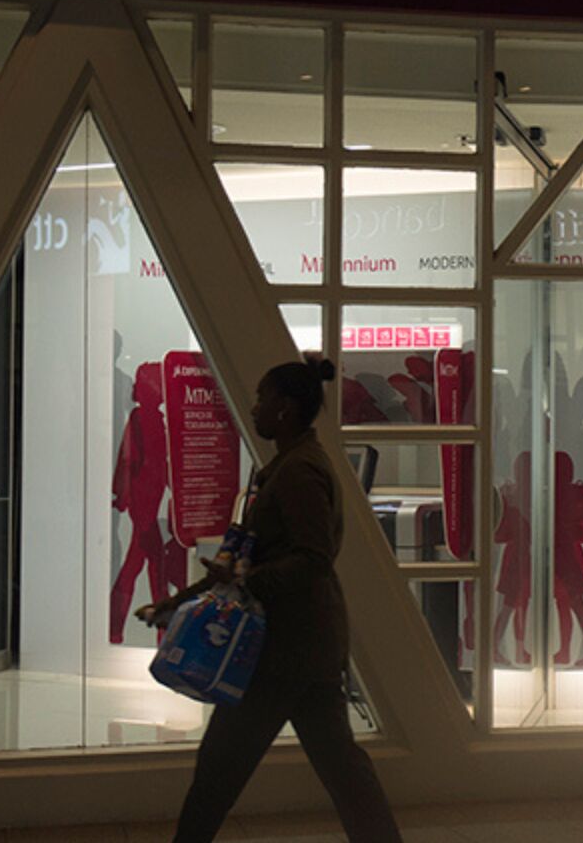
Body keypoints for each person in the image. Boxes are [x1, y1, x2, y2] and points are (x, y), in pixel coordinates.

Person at [138, 354, 402, 843]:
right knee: (341, 769)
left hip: (280, 651)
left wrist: (247, 581)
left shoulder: (298, 472)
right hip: (309, 645)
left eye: (262, 398)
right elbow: (252, 558)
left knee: (220, 768)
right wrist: (179, 602)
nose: (254, 408)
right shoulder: (293, 465)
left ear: (285, 407)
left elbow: (311, 557)